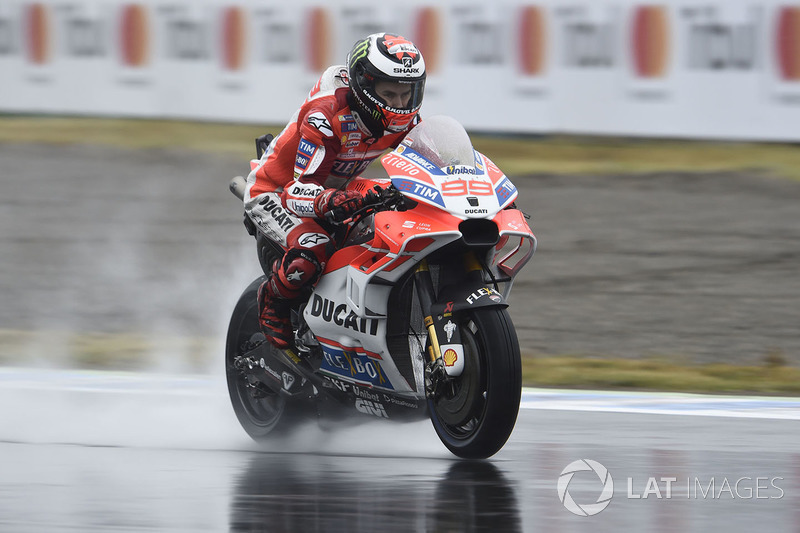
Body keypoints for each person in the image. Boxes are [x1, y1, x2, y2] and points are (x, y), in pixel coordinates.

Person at [242, 33, 426, 348]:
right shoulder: (326, 116)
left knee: (399, 222)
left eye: (405, 94)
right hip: (276, 191)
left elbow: (430, 166)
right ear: (365, 88)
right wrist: (342, 200)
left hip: (336, 188)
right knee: (314, 248)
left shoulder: (406, 119)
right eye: (389, 94)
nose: (399, 104)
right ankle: (273, 302)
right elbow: (297, 194)